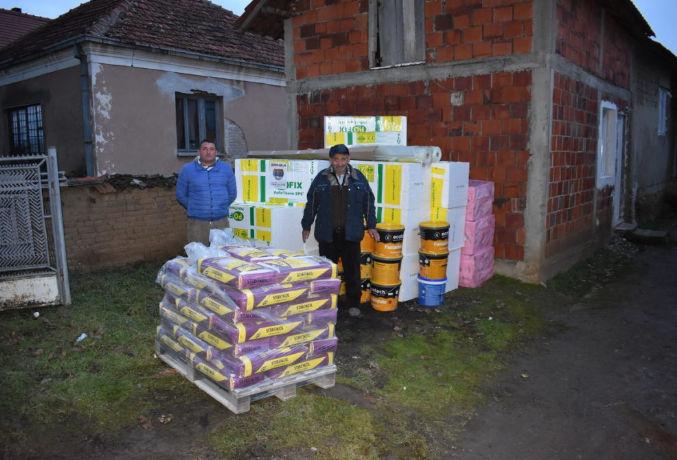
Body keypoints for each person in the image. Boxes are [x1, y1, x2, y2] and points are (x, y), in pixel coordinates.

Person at [301, 144, 379, 317]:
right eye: (336, 159)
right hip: (327, 234)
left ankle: (354, 303)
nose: (340, 163)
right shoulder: (321, 178)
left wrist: (372, 225)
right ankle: (327, 303)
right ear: (331, 160)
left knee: (353, 271)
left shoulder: (358, 178)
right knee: (328, 272)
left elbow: (368, 202)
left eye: (343, 159)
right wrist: (306, 225)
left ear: (348, 159)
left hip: (351, 233)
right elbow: (311, 203)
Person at [176, 139, 236, 245]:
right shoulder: (187, 169)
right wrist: (193, 207)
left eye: (211, 149)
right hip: (197, 224)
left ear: (216, 152)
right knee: (198, 253)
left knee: (221, 253)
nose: (208, 152)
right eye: (205, 149)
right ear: (199, 152)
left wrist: (220, 207)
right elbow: (180, 195)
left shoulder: (226, 169)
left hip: (221, 222)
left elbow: (232, 193)